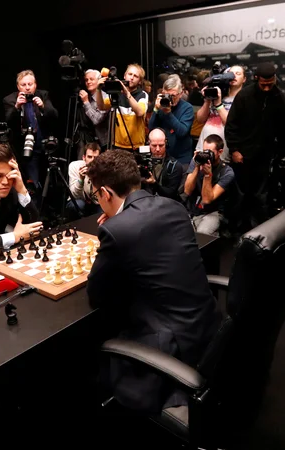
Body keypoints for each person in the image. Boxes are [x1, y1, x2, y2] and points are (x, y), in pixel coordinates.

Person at [86, 150, 220, 413]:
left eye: (95, 195)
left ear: (105, 193)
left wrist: (117, 225)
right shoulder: (175, 207)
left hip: (170, 351)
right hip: (210, 331)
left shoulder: (117, 229)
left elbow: (96, 294)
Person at [224, 62, 285, 231]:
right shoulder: (244, 96)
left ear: (275, 79)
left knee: (260, 197)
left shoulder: (279, 97)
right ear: (257, 79)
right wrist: (234, 150)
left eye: (270, 84)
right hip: (242, 154)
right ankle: (235, 231)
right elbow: (231, 126)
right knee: (239, 196)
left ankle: (257, 233)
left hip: (264, 155)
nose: (267, 88)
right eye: (263, 85)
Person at [3, 70, 58, 190]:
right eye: (23, 85)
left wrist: (43, 106)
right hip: (25, 148)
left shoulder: (43, 95)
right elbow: (8, 121)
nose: (27, 88)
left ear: (35, 85)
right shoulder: (10, 99)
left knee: (50, 184)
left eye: (30, 84)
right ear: (18, 86)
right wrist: (17, 107)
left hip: (44, 145)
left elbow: (55, 115)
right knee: (33, 183)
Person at [184, 134, 235, 236]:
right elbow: (187, 191)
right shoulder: (196, 162)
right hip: (194, 209)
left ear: (220, 152)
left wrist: (208, 175)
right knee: (184, 234)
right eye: (204, 151)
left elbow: (207, 199)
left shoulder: (227, 172)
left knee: (201, 234)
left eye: (209, 152)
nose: (206, 155)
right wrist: (196, 167)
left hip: (213, 212)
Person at [195, 65, 246, 164]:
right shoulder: (218, 94)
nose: (233, 76)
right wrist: (207, 101)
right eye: (230, 73)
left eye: (238, 74)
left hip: (221, 153)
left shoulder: (243, 99)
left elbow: (231, 124)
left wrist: (218, 105)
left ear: (244, 79)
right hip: (202, 146)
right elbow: (200, 119)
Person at [96, 63, 149, 151]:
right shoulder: (116, 93)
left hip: (136, 146)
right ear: (125, 76)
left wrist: (127, 94)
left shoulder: (143, 95)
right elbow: (101, 106)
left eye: (135, 76)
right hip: (117, 144)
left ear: (140, 81)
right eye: (130, 74)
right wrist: (98, 89)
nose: (131, 78)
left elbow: (140, 112)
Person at [148, 74, 195, 165]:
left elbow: (182, 132)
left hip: (182, 158)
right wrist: (156, 109)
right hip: (162, 156)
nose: (170, 99)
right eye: (167, 95)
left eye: (173, 96)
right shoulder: (160, 106)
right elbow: (151, 129)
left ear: (181, 94)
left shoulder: (187, 108)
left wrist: (168, 113)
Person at [142, 128, 184, 201]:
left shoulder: (174, 166)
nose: (158, 149)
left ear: (166, 144)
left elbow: (170, 194)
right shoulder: (141, 161)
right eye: (154, 145)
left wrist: (154, 183)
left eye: (161, 145)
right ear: (148, 144)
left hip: (165, 203)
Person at [67, 142, 103, 217]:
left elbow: (102, 198)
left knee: (103, 210)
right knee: (78, 205)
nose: (92, 160)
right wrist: (81, 179)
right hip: (79, 199)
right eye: (89, 157)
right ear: (84, 157)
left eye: (96, 158)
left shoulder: (103, 169)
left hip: (96, 202)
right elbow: (74, 195)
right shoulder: (74, 166)